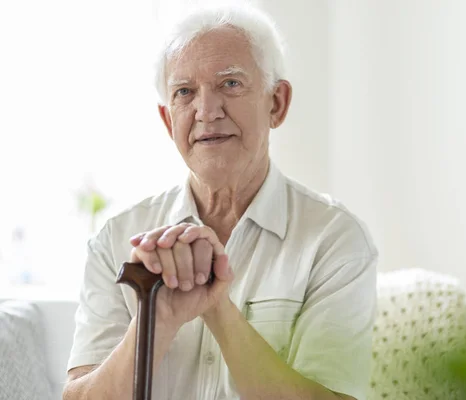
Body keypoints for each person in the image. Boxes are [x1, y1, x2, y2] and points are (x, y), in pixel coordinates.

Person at [63, 4, 377, 400]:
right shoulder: (117, 240)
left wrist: (216, 307)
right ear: (167, 120)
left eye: (230, 84)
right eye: (185, 92)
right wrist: (156, 321)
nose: (206, 112)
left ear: (276, 103)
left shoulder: (334, 239)